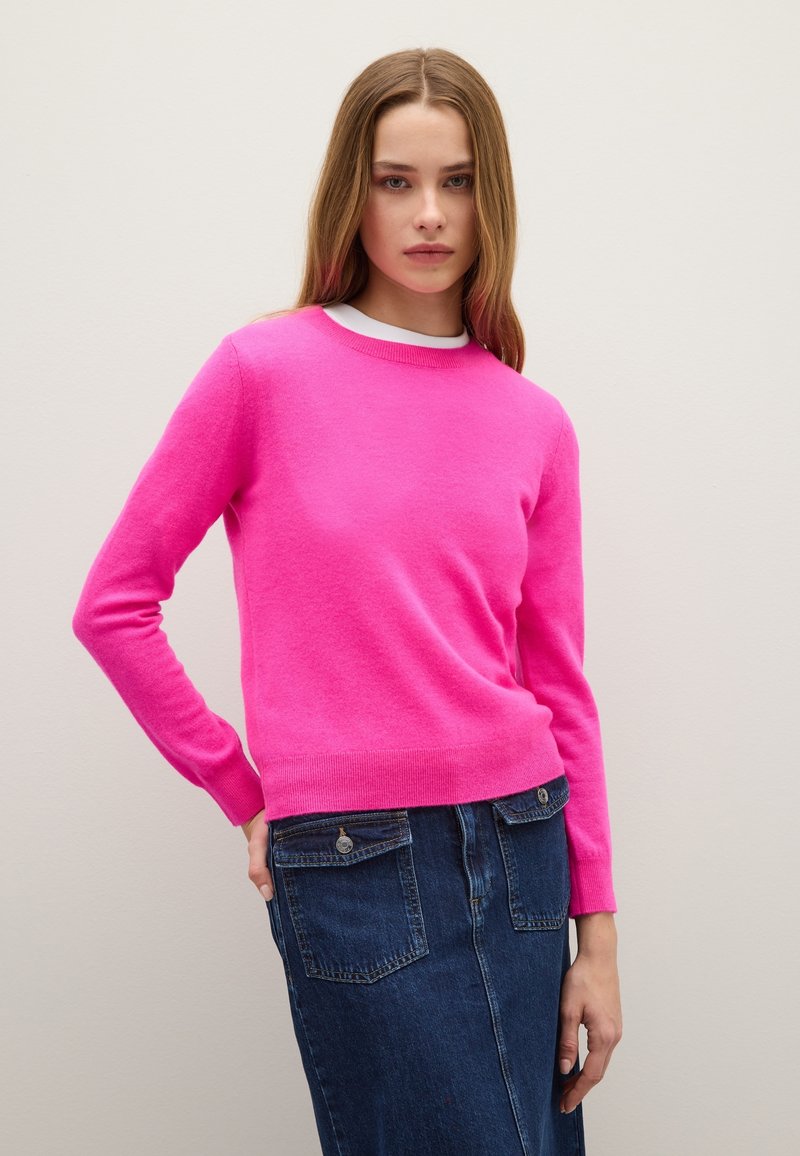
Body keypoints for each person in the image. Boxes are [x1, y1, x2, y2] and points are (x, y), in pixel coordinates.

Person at [72, 46, 622, 1156]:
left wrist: (598, 939)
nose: (430, 214)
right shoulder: (261, 373)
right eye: (395, 181)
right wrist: (240, 788)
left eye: (457, 181)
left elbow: (559, 684)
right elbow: (114, 604)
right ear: (350, 195)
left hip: (524, 846)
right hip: (354, 861)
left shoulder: (533, 420)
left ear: (492, 198)